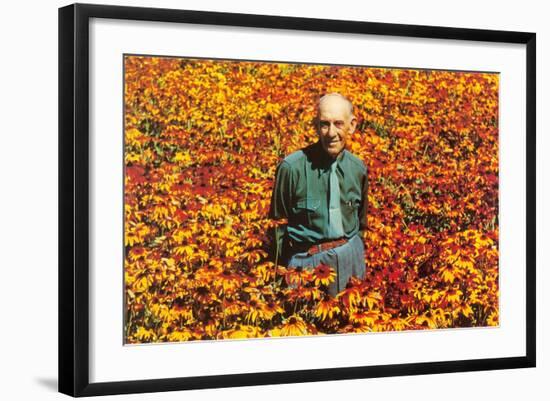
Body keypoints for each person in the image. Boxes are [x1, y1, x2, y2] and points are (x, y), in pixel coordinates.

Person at [269, 93, 368, 297]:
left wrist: (355, 253)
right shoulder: (292, 168)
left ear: (352, 126)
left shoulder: (358, 169)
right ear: (316, 126)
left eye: (338, 124)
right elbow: (277, 227)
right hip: (305, 263)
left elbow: (361, 223)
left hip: (350, 257)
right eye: (324, 124)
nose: (331, 133)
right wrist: (280, 275)